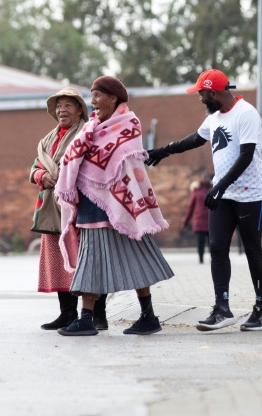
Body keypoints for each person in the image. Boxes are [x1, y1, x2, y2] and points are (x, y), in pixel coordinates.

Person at [146, 69, 262, 332]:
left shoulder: (246, 113)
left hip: (251, 194)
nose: (200, 98)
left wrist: (220, 185)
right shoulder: (214, 116)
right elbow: (195, 139)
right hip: (222, 193)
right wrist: (163, 151)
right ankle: (222, 308)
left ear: (213, 92)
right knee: (217, 248)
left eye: (201, 94)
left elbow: (247, 155)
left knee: (252, 249)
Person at [55, 76, 174, 337]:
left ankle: (146, 316)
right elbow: (75, 158)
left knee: (136, 258)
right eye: (92, 95)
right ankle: (89, 317)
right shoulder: (90, 129)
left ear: (113, 98)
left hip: (122, 205)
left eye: (98, 95)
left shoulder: (128, 124)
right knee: (91, 260)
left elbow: (124, 165)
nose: (93, 101)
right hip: (93, 204)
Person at [30, 87, 109, 331]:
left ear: (79, 110)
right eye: (58, 106)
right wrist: (41, 174)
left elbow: (96, 166)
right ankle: (67, 313)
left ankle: (98, 314)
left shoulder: (88, 133)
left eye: (67, 105)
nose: (61, 110)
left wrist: (67, 178)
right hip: (52, 210)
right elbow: (34, 167)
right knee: (59, 261)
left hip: (80, 206)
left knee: (87, 259)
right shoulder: (47, 139)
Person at [183, 171, 212, 264]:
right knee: (200, 242)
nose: (206, 178)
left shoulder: (213, 189)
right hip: (199, 220)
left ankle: (213, 259)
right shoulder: (196, 190)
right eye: (204, 177)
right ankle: (201, 259)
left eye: (207, 177)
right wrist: (185, 221)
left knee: (212, 242)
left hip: (210, 220)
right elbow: (191, 207)